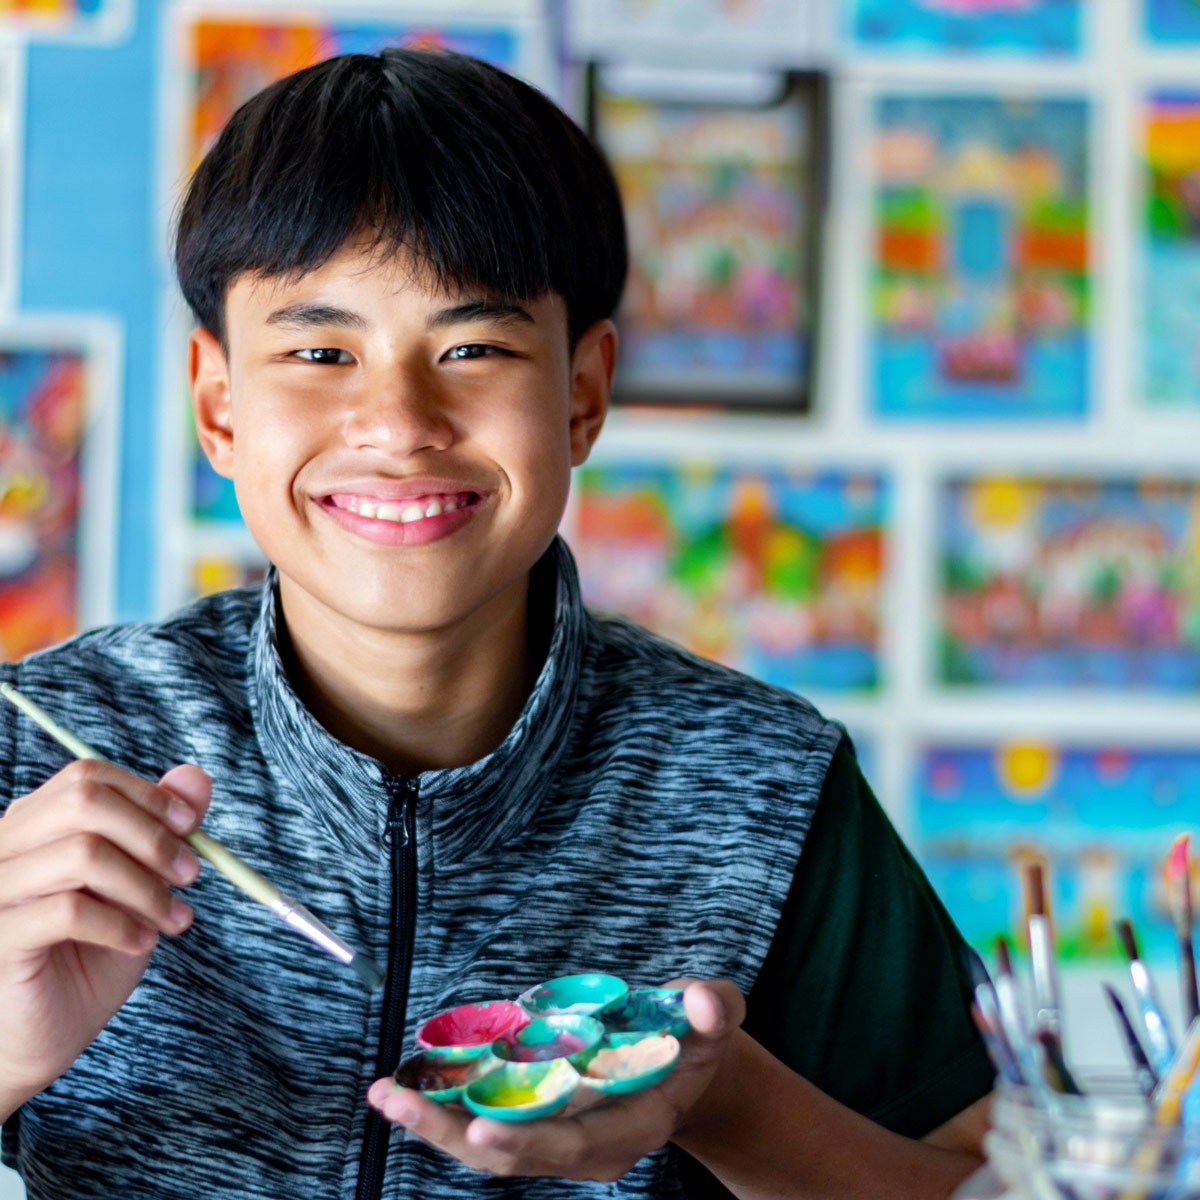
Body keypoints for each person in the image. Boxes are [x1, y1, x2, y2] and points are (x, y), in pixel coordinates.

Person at [0, 47, 993, 1200]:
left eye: (473, 348)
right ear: (220, 406)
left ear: (582, 393)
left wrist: (733, 1102)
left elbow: (996, 1181)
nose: (399, 422)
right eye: (321, 352)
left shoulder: (764, 784)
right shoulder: (39, 755)